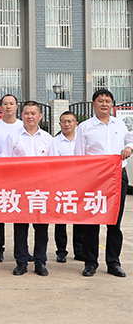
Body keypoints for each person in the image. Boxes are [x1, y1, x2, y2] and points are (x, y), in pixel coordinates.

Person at [74, 89, 133, 278]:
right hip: (94, 179)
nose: (104, 104)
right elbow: (79, 155)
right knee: (93, 222)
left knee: (114, 222)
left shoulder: (119, 124)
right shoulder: (85, 127)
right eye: (100, 101)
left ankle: (113, 263)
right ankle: (90, 263)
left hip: (117, 177)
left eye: (108, 100)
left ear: (112, 104)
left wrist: (129, 147)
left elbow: (130, 139)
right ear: (94, 104)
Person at [2, 101, 58, 276]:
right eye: (26, 113)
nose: (30, 116)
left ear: (40, 116)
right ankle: (21, 262)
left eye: (33, 113)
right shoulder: (13, 137)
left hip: (41, 190)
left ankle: (40, 262)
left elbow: (55, 165)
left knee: (41, 229)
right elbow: (5, 163)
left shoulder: (47, 138)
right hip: (19, 189)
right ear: (21, 115)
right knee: (20, 228)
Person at [0, 94, 22, 263]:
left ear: (16, 107)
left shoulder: (22, 126)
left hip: (20, 176)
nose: (8, 106)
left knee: (19, 213)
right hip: (0, 175)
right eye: (5, 104)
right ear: (0, 107)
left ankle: (21, 249)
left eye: (11, 103)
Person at [52, 111, 83, 263]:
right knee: (60, 219)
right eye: (64, 121)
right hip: (61, 184)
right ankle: (61, 251)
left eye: (70, 121)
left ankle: (79, 250)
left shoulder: (82, 140)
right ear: (60, 124)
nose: (67, 124)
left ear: (76, 124)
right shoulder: (54, 142)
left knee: (79, 218)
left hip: (80, 183)